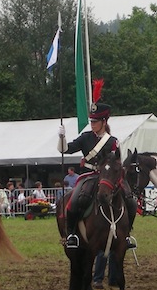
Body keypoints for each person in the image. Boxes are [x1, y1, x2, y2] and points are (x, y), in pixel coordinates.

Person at [58, 102, 136, 249]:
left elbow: (116, 162)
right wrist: (62, 137)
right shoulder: (85, 138)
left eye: (95, 122)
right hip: (88, 176)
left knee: (130, 200)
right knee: (74, 201)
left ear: (104, 122)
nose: (92, 124)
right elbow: (65, 150)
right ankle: (72, 234)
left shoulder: (113, 142)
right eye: (91, 121)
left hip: (108, 177)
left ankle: (126, 235)